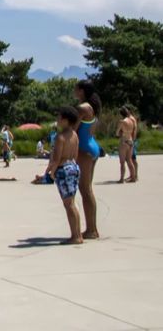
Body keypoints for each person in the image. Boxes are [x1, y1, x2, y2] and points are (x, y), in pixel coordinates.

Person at [44, 106, 83, 245]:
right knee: (72, 202)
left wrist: (51, 172)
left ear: (66, 120)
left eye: (59, 118)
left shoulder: (61, 138)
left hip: (63, 169)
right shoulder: (75, 135)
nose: (58, 120)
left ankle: (75, 236)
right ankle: (77, 233)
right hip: (73, 167)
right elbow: (75, 155)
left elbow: (56, 158)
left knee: (68, 204)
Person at [74, 79, 101, 240]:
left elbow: (72, 128)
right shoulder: (91, 106)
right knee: (87, 189)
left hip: (84, 150)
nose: (74, 91)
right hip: (92, 146)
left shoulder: (83, 108)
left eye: (76, 89)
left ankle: (92, 229)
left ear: (82, 91)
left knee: (85, 190)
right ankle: (92, 228)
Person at [117, 106, 137, 183]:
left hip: (124, 140)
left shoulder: (122, 122)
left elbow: (117, 133)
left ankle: (121, 179)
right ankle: (133, 177)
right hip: (130, 140)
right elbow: (134, 130)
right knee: (129, 160)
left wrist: (119, 132)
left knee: (122, 162)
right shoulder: (132, 120)